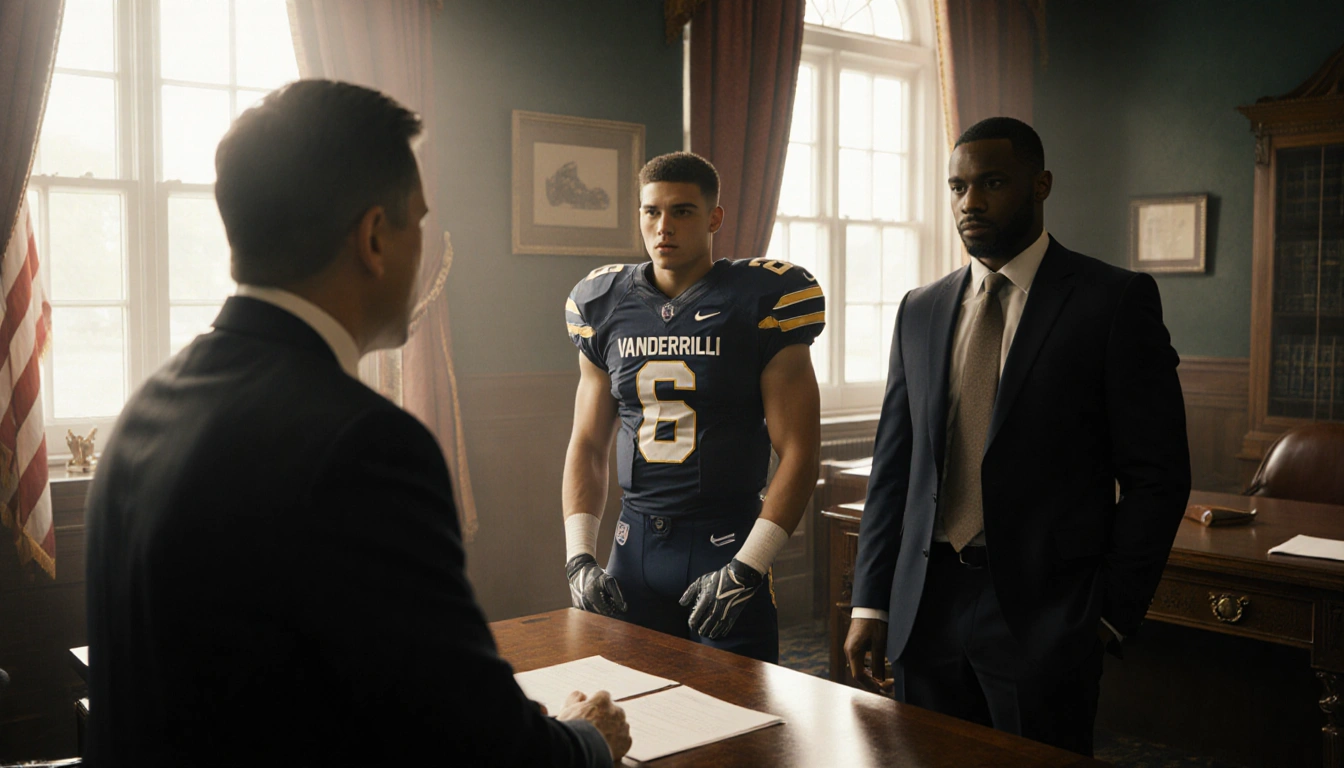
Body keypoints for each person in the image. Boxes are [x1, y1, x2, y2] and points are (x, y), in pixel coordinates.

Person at [84, 79, 629, 767]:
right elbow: (477, 744)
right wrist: (586, 740)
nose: (422, 249)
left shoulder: (149, 404)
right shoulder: (364, 445)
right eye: (420, 222)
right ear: (375, 236)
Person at [843, 117, 1191, 755]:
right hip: (926, 606)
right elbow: (894, 469)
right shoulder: (919, 308)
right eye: (957, 187)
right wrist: (870, 602)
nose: (969, 203)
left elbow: (1158, 476)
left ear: (1041, 185)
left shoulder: (1113, 301)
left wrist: (1108, 615)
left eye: (991, 183)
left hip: (1044, 616)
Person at [561, 152, 823, 664]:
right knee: (634, 714)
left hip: (725, 546)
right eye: (651, 211)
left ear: (714, 218)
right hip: (630, 547)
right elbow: (587, 443)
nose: (664, 227)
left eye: (681, 211)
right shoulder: (604, 303)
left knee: (739, 721)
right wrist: (578, 557)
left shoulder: (760, 299)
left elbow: (798, 452)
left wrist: (748, 567)